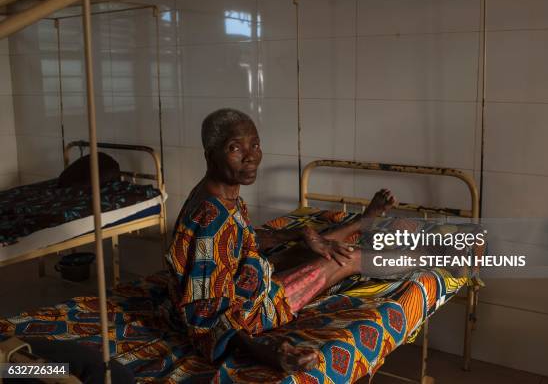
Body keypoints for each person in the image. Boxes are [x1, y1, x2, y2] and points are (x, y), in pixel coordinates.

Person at [165, 109, 427, 374]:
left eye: (255, 145)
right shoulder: (210, 217)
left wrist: (299, 235)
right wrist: (269, 351)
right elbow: (205, 313)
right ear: (210, 154)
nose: (251, 157)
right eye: (235, 148)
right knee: (347, 258)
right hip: (246, 311)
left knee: (313, 245)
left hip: (245, 277)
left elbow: (241, 240)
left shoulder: (221, 195)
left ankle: (361, 223)